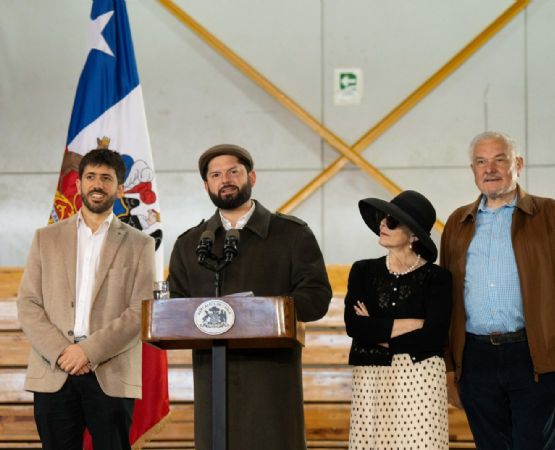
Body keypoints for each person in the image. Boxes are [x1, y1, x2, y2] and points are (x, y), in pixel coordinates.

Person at [168, 144, 332, 450]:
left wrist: (264, 314)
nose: (225, 179)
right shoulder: (190, 243)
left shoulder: (291, 234)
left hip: (270, 376)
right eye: (215, 175)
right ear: (207, 185)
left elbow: (317, 295)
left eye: (233, 171)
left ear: (252, 177)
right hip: (212, 375)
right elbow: (176, 305)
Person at [17, 149, 155, 450]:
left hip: (110, 369)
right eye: (90, 176)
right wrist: (64, 352)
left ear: (120, 189)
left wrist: (88, 352)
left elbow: (141, 310)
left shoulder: (141, 245)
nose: (97, 184)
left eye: (106, 178)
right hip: (54, 369)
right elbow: (28, 303)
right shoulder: (45, 238)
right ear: (78, 184)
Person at [440, 131, 555, 450]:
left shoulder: (549, 215)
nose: (489, 168)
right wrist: (450, 367)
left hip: (534, 357)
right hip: (476, 359)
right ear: (473, 170)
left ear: (518, 164)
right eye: (481, 161)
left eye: (499, 159)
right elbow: (445, 300)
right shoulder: (457, 223)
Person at [344, 190, 452, 450]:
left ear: (414, 235)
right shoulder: (363, 270)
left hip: (421, 375)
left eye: (392, 221)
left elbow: (435, 336)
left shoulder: (438, 278)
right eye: (383, 219)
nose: (383, 224)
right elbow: (355, 326)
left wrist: (379, 336)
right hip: (371, 375)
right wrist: (413, 324)